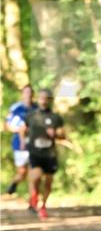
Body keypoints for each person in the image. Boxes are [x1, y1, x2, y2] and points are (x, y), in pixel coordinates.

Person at [22, 88, 66, 219]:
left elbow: (62, 135)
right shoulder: (31, 115)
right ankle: (34, 198)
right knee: (35, 177)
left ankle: (43, 206)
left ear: (50, 100)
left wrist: (56, 134)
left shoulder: (55, 117)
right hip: (35, 152)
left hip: (50, 154)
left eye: (46, 98)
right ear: (38, 99)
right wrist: (23, 142)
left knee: (48, 181)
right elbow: (23, 129)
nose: (43, 100)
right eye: (41, 97)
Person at [5, 84, 37, 195]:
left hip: (35, 145)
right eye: (26, 92)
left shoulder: (37, 108)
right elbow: (8, 126)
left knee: (34, 173)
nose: (28, 94)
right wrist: (21, 130)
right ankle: (14, 183)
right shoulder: (15, 109)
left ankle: (33, 201)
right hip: (20, 144)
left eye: (30, 92)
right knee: (22, 172)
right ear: (22, 94)